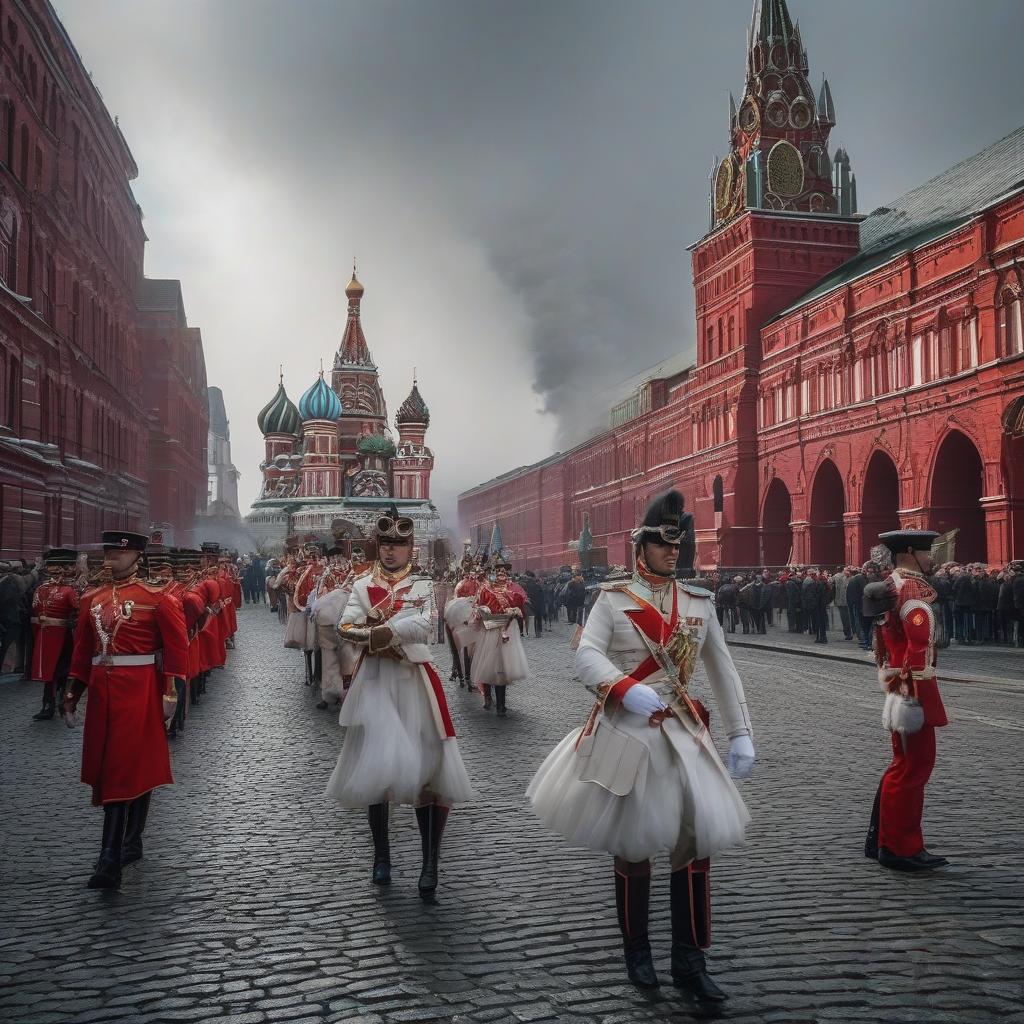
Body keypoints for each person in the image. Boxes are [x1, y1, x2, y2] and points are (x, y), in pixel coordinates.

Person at [527, 491, 754, 1006]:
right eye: (662, 543)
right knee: (632, 848)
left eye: (679, 544)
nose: (674, 553)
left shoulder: (698, 603)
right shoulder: (612, 599)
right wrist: (624, 687)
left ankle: (690, 961)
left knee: (694, 847)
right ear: (641, 547)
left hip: (682, 734)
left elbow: (723, 670)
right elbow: (586, 655)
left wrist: (740, 731)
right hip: (629, 732)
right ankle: (637, 951)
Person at [326, 508, 473, 899]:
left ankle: (429, 863)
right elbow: (344, 625)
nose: (391, 552)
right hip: (374, 683)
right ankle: (381, 857)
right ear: (379, 546)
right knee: (377, 774)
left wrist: (377, 631)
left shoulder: (422, 585)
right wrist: (381, 630)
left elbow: (424, 624)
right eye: (386, 544)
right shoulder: (361, 584)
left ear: (411, 548)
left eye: (399, 545)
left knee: (429, 773)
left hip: (413, 681)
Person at [62, 531, 188, 890]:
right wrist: (73, 692)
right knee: (116, 766)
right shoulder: (93, 598)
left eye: (119, 553)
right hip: (102, 692)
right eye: (107, 552)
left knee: (123, 765)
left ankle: (109, 857)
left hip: (140, 689)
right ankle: (132, 839)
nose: (110, 558)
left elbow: (176, 651)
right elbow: (82, 650)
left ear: (136, 556)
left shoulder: (158, 598)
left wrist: (170, 692)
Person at [862, 530, 948, 873]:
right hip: (914, 688)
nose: (932, 558)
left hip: (899, 684)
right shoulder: (910, 588)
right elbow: (917, 644)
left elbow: (883, 645)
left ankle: (884, 839)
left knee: (903, 764)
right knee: (915, 767)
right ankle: (900, 846)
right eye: (928, 552)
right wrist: (914, 695)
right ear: (910, 552)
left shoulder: (890, 583)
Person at [471, 559, 529, 715]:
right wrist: (482, 614)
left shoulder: (515, 589)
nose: (501, 573)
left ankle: (501, 704)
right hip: (490, 630)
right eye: (498, 570)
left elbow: (522, 608)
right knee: (488, 665)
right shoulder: (486, 589)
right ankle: (489, 697)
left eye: (503, 570)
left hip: (506, 630)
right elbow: (477, 607)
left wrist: (516, 612)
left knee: (500, 668)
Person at [28, 549, 80, 720]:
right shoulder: (42, 588)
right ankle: (48, 704)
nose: (53, 571)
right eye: (51, 566)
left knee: (61, 671)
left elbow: (80, 611)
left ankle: (63, 702)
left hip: (64, 637)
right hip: (43, 636)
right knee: (49, 673)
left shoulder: (71, 590)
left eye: (56, 567)